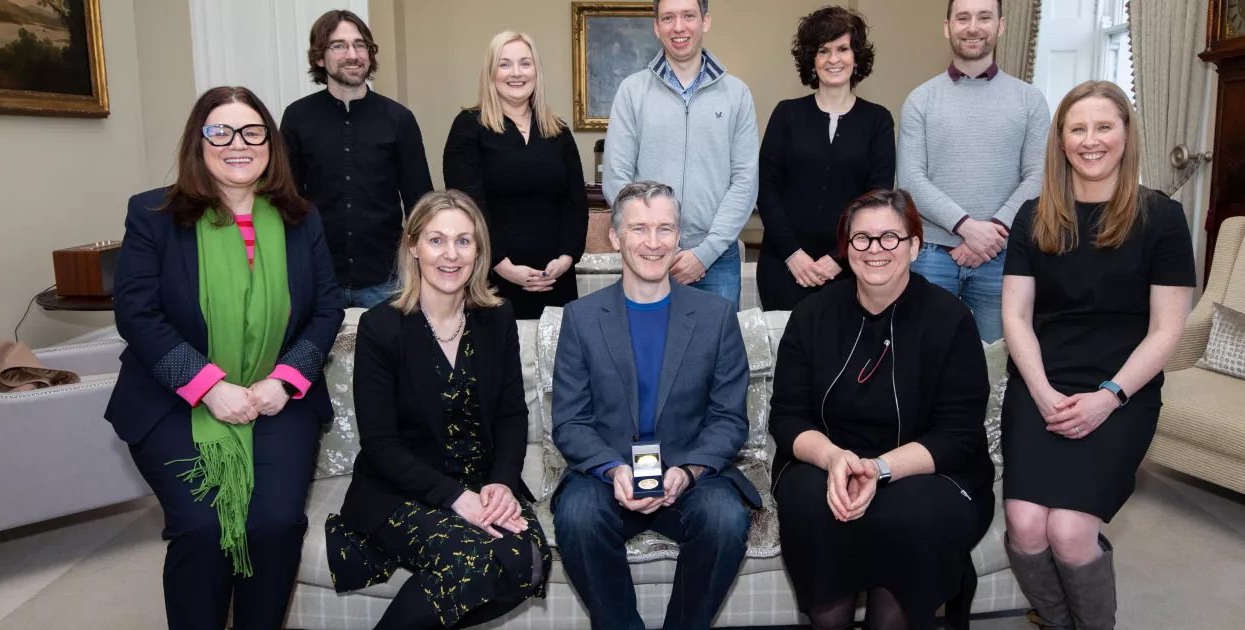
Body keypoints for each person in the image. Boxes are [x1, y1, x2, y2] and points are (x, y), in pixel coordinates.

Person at [107, 86, 346, 629]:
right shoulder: (153, 215)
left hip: (276, 400)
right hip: (175, 401)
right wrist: (208, 385)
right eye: (220, 131)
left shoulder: (300, 218)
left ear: (270, 143)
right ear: (199, 141)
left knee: (277, 524)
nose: (238, 144)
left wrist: (285, 380)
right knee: (203, 528)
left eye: (252, 131)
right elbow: (138, 315)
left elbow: (327, 310)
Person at [1001, 81, 1195, 630]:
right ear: (1060, 141)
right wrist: (1040, 392)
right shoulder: (1033, 217)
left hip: (1123, 390)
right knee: (1024, 522)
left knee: (1069, 529)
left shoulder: (1162, 218)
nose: (1091, 140)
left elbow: (1166, 331)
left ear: (1126, 135)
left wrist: (1108, 398)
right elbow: (1015, 316)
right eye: (1077, 128)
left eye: (1104, 126)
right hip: (1042, 384)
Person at [769, 189, 995, 630]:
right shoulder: (811, 315)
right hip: (828, 462)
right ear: (847, 248)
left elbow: (958, 436)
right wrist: (835, 459)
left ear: (914, 245)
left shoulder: (951, 320)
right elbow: (787, 418)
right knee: (812, 504)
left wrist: (880, 468)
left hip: (927, 469)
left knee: (909, 515)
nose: (875, 250)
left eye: (889, 237)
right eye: (862, 239)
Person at [328, 190, 549, 630]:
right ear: (413, 246)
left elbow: (510, 415)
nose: (451, 255)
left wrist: (502, 485)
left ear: (479, 251)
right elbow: (379, 445)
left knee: (530, 560)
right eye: (437, 240)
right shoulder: (380, 327)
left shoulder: (496, 318)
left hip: (481, 481)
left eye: (464, 241)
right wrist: (456, 499)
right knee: (477, 561)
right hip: (402, 488)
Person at [551, 181, 760, 630]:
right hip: (608, 473)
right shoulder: (582, 318)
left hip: (689, 470)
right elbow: (570, 421)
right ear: (614, 236)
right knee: (577, 516)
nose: (653, 242)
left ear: (679, 235)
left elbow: (728, 418)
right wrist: (612, 469)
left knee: (726, 520)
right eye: (639, 229)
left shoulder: (715, 316)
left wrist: (689, 472)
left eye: (665, 229)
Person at [897, 0, 1050, 342]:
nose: (973, 27)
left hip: (1003, 258)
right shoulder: (920, 100)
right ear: (947, 27)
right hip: (931, 256)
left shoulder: (1030, 100)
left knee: (995, 368)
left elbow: (1038, 177)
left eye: (984, 17)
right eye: (962, 17)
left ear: (1001, 25)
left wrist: (992, 233)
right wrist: (967, 228)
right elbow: (910, 182)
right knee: (926, 360)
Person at [601, 0, 759, 310]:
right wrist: (654, 240)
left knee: (714, 355)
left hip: (717, 258)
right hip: (649, 253)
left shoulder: (737, 94)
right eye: (668, 18)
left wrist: (706, 252)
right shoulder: (632, 92)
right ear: (656, 27)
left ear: (706, 21)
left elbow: (745, 181)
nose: (679, 27)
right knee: (648, 353)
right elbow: (616, 178)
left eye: (688, 16)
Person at [281, 9, 434, 308]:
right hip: (318, 279)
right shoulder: (297, 118)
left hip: (387, 280)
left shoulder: (399, 119)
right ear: (319, 58)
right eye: (339, 45)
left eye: (360, 44)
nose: (352, 54)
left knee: (390, 356)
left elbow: (420, 202)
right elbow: (285, 197)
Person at [757, 6, 896, 312]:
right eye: (823, 50)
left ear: (856, 56)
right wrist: (793, 254)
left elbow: (878, 199)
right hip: (783, 266)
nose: (834, 59)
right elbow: (766, 190)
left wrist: (838, 258)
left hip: (851, 269)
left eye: (843, 49)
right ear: (812, 60)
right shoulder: (786, 114)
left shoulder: (878, 120)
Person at [444, 31, 589, 319]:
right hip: (492, 279)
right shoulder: (468, 127)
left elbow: (576, 203)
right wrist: (501, 265)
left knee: (557, 362)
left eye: (525, 63)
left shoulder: (558, 131)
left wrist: (565, 258)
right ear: (491, 73)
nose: (516, 73)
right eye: (505, 64)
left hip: (555, 281)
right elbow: (468, 208)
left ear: (536, 70)